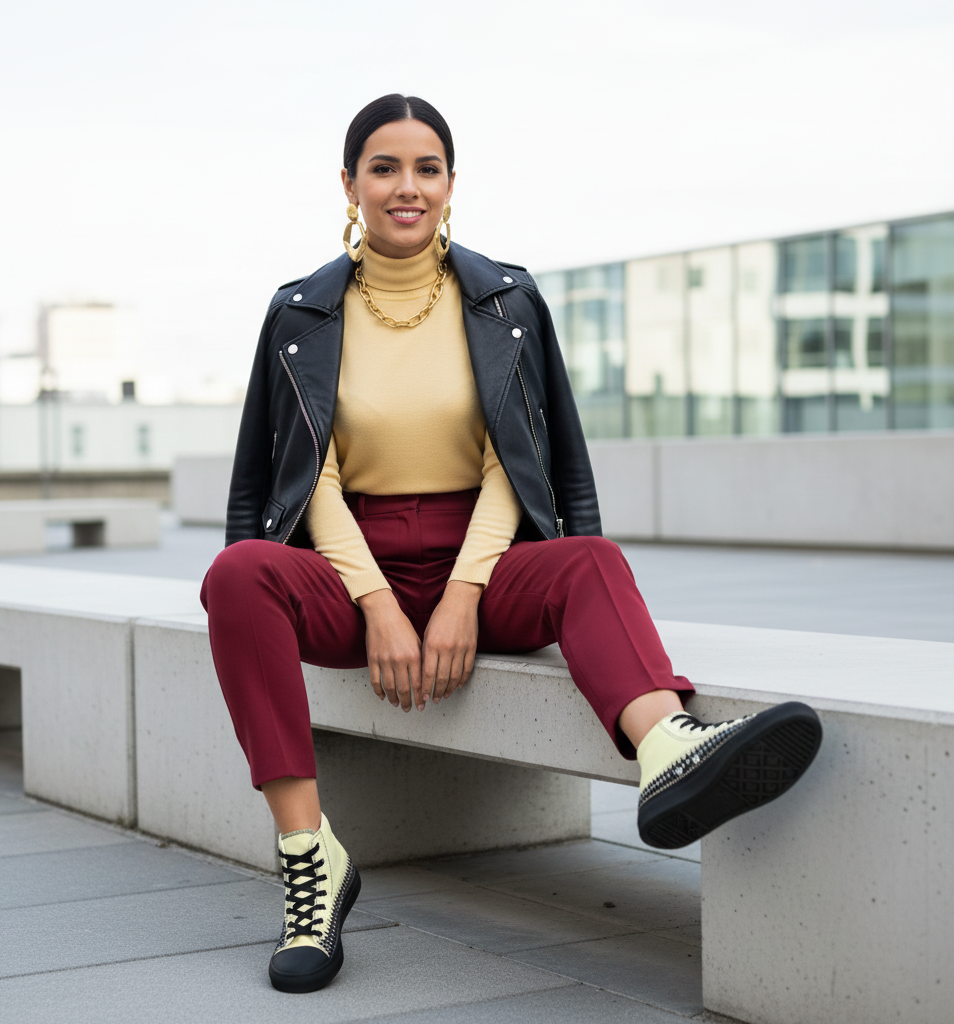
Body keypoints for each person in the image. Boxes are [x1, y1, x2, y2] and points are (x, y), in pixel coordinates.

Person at [201, 94, 822, 995]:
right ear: (349, 184)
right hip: (350, 565)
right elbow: (308, 478)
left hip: (481, 561)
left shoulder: (506, 301)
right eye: (384, 168)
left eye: (426, 168)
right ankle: (311, 856)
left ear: (452, 184)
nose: (406, 187)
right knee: (238, 573)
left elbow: (518, 461)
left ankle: (666, 750)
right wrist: (376, 600)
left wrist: (461, 592)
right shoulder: (300, 314)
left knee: (592, 561)